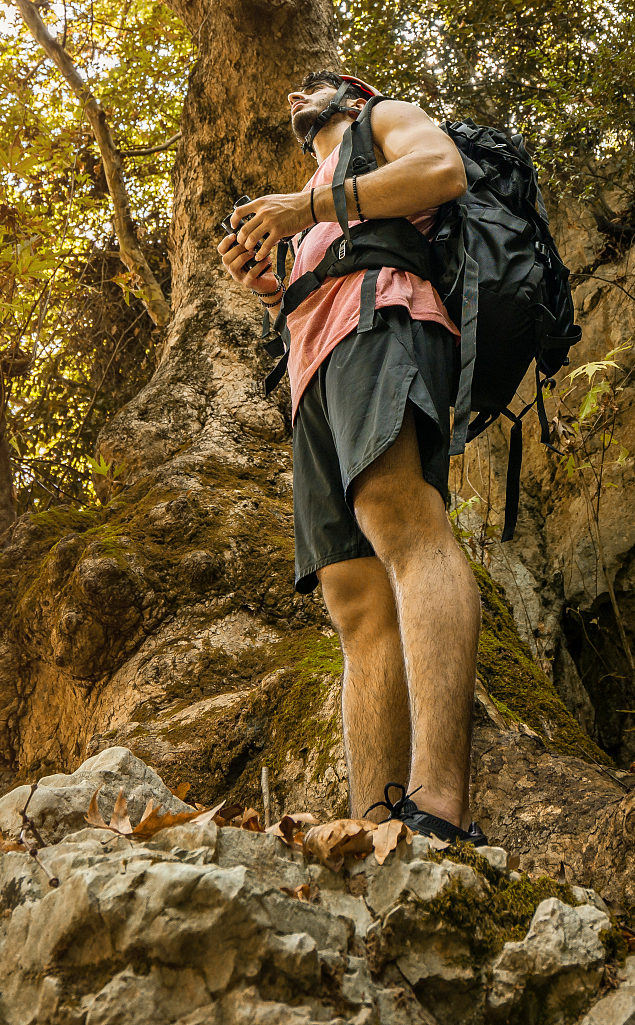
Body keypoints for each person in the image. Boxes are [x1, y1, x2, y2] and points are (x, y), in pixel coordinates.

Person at [217, 71, 487, 844]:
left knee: (399, 515)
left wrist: (303, 208)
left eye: (315, 87)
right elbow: (329, 265)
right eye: (291, 93)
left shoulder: (384, 121)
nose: (297, 97)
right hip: (312, 370)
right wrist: (273, 286)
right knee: (353, 596)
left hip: (385, 320)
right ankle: (372, 828)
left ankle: (438, 804)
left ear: (351, 91)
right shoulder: (313, 197)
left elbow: (442, 173)